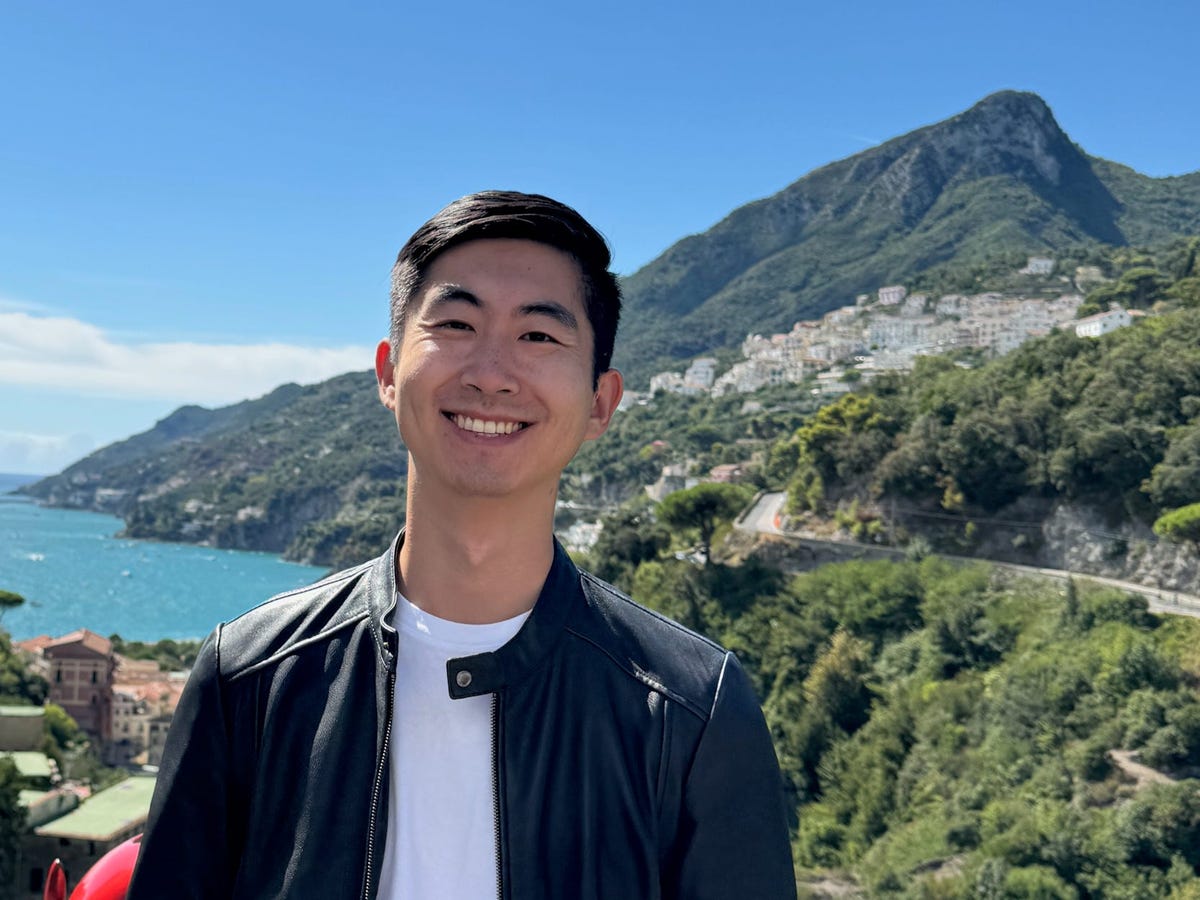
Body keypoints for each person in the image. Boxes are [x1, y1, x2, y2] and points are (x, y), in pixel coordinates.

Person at [127, 191, 796, 899]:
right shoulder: (248, 678)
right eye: (455, 324)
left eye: (538, 336)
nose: (490, 373)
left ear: (600, 402)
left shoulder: (691, 710)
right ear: (389, 373)